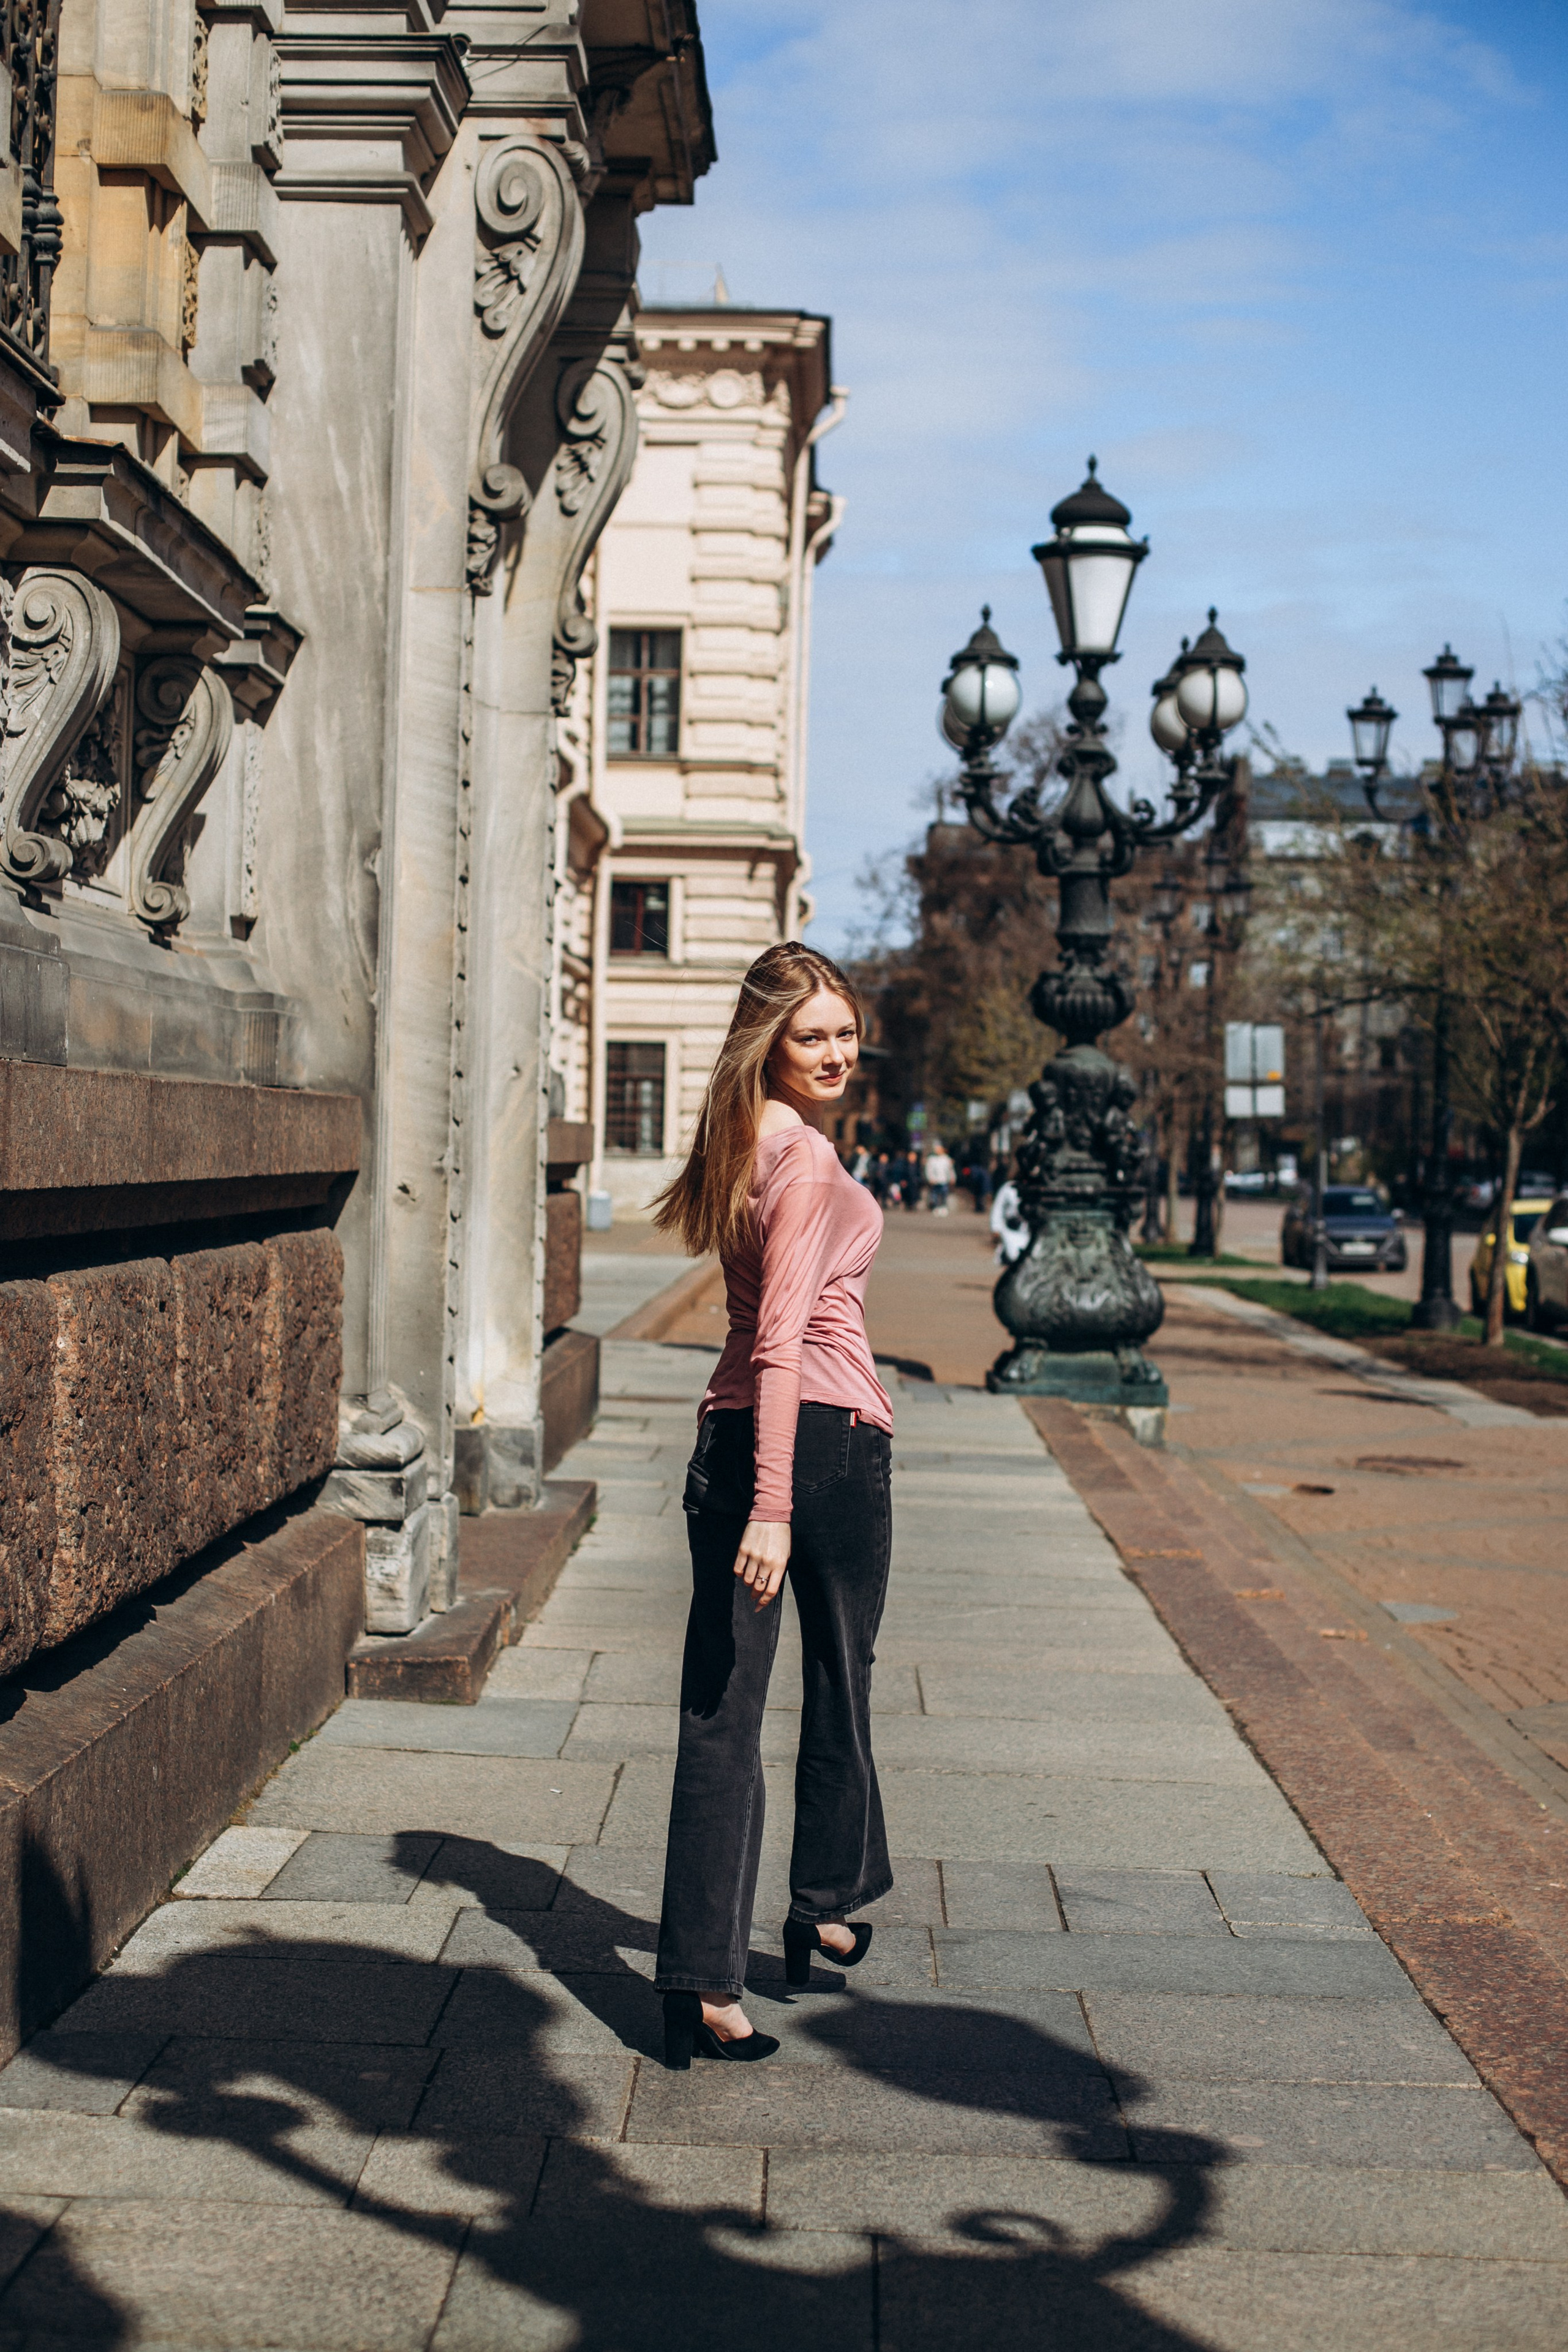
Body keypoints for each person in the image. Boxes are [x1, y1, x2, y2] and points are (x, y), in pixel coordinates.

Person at [650, 943, 895, 2069]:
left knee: (723, 1709)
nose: (838, 1052)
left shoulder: (742, 1138)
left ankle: (712, 1972)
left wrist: (750, 1485)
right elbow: (785, 1337)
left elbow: (754, 1332)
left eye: (846, 1032)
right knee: (840, 1680)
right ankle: (822, 1903)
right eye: (814, 1037)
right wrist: (774, 1505)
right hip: (820, 1450)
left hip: (733, 1434)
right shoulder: (799, 1162)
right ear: (770, 1043)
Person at [990, 1172, 1029, 1264]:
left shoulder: (1037, 1188)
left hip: (1027, 1230)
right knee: (1012, 1257)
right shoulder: (1009, 1188)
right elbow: (998, 1208)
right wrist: (995, 1228)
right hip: (1011, 1230)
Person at [923, 1140, 956, 1216]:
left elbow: (950, 1170)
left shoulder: (946, 1159)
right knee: (935, 1195)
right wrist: (930, 1178)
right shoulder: (932, 1159)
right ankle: (936, 1207)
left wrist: (952, 1178)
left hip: (944, 1180)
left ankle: (944, 1207)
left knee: (944, 1194)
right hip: (935, 1181)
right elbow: (929, 1170)